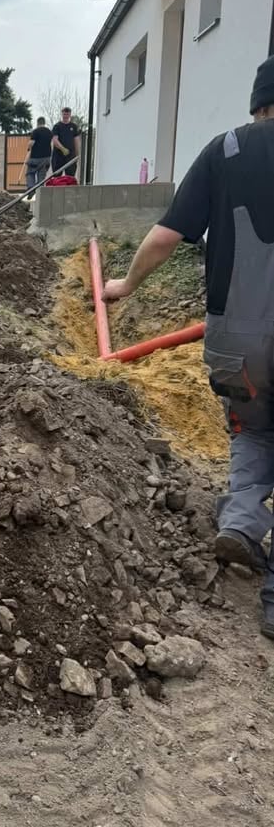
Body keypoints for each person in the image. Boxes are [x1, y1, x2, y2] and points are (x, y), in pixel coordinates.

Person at [101, 53, 274, 638]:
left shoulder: (223, 152)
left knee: (251, 429)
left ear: (257, 102)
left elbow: (167, 235)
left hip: (234, 343)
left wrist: (125, 284)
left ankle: (245, 519)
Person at [51, 107, 81, 180]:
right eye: (64, 114)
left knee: (70, 178)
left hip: (70, 156)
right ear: (62, 114)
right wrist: (63, 149)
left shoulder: (73, 127)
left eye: (67, 114)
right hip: (58, 156)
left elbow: (76, 141)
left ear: (70, 115)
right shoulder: (57, 126)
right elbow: (55, 140)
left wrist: (77, 155)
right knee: (57, 177)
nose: (66, 116)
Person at [25, 116, 52, 189]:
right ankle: (40, 190)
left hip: (35, 158)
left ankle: (31, 187)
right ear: (44, 123)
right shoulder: (49, 132)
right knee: (41, 176)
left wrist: (28, 148)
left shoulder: (36, 131)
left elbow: (31, 143)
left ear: (37, 123)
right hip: (47, 158)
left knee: (30, 173)